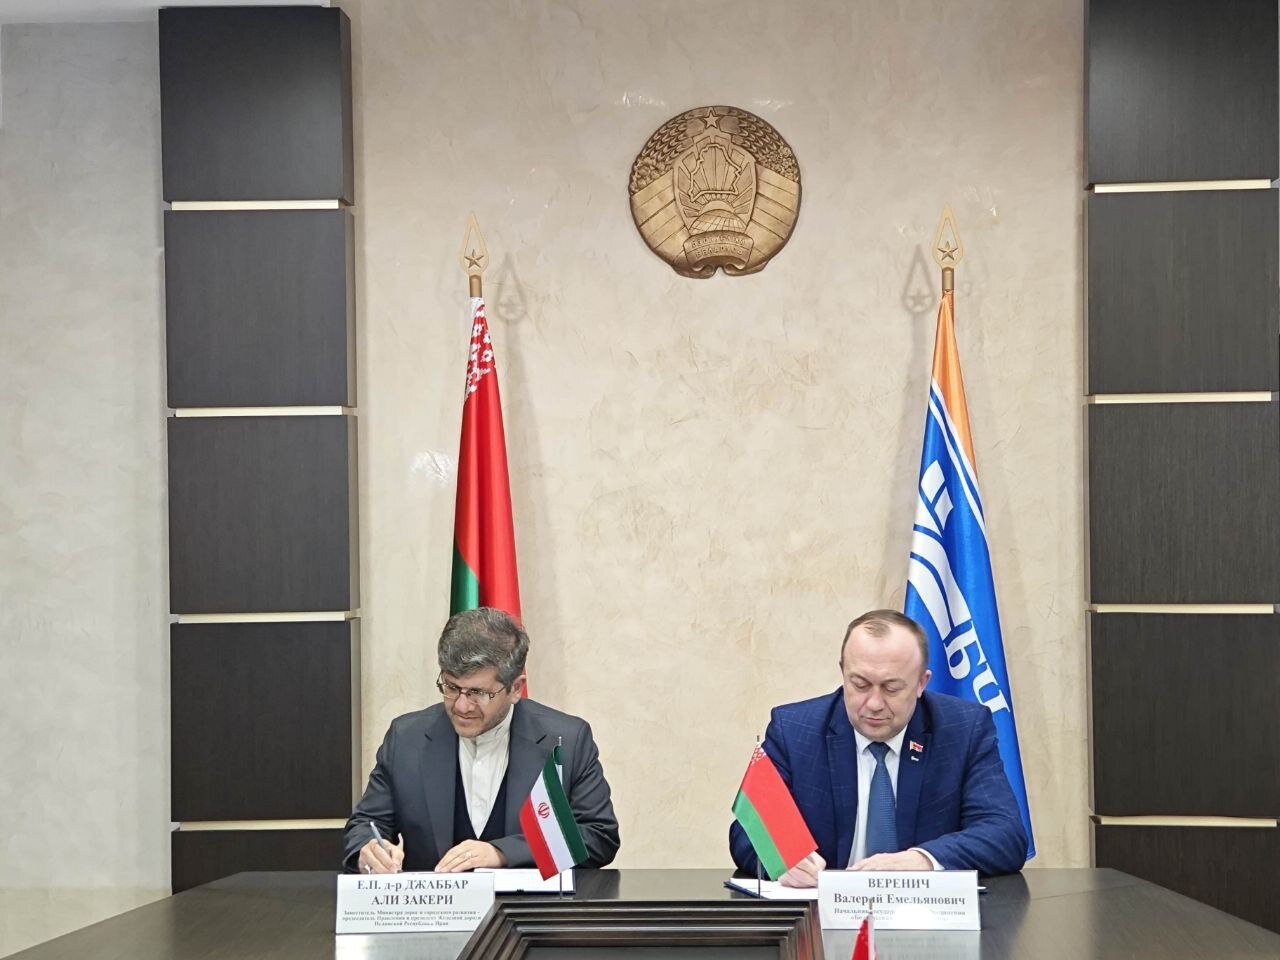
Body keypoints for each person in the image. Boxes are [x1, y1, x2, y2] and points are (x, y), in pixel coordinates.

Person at [730, 609, 1027, 885]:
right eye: (859, 684)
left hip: (924, 914)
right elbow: (747, 830)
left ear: (921, 683)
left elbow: (1004, 834)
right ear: (843, 672)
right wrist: (783, 858)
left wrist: (922, 860)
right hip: (825, 912)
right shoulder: (795, 730)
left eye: (891, 688)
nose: (873, 703)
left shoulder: (962, 729)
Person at [343, 607, 620, 873]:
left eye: (478, 693)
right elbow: (367, 824)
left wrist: (503, 853)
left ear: (515, 688)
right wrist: (369, 851)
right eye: (451, 687)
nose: (461, 706)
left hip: (527, 905)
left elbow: (598, 836)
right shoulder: (406, 738)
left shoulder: (566, 741)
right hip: (436, 905)